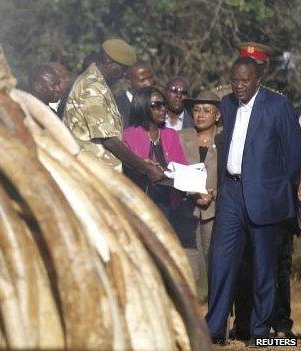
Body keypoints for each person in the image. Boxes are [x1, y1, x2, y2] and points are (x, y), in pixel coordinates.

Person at [205, 57, 301, 346]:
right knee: (221, 261)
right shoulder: (228, 103)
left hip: (265, 196)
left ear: (258, 79)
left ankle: (260, 333)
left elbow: (294, 154)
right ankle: (214, 329)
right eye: (234, 79)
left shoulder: (278, 105)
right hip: (231, 193)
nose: (239, 86)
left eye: (245, 80)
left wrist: (275, 187)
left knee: (264, 268)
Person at [62, 39, 164, 184]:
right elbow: (109, 140)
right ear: (108, 61)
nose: (123, 75)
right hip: (91, 175)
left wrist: (141, 161)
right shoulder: (92, 88)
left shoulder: (99, 84)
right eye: (122, 70)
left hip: (99, 173)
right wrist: (144, 167)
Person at [175, 91, 223, 299]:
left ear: (217, 115)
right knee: (187, 268)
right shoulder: (181, 136)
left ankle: (218, 324)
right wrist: (193, 192)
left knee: (217, 265)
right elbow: (174, 170)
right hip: (186, 211)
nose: (200, 115)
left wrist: (215, 193)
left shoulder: (224, 138)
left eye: (207, 111)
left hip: (216, 210)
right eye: (196, 110)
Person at [122, 86, 187, 217]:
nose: (163, 109)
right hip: (138, 205)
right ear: (142, 106)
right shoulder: (128, 136)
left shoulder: (171, 135)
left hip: (169, 205)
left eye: (164, 104)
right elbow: (127, 171)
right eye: (157, 105)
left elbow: (182, 166)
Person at [115, 61, 154, 127]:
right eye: (142, 80)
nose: (149, 83)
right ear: (129, 83)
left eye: (150, 78)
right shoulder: (117, 107)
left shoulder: (157, 103)